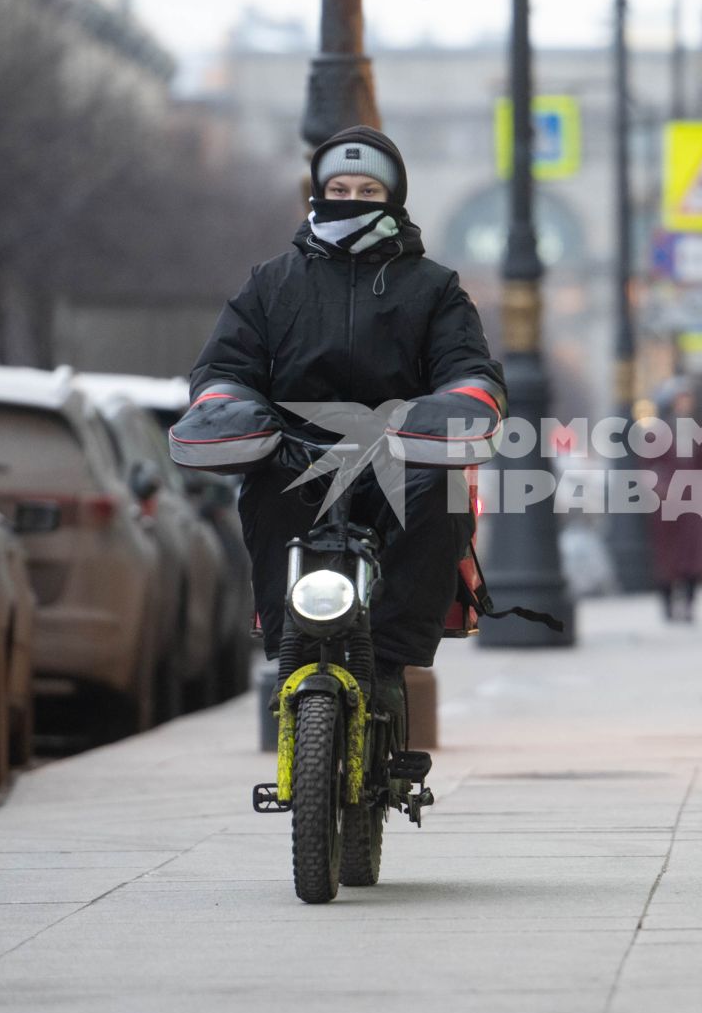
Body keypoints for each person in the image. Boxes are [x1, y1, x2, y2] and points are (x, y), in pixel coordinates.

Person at [189, 127, 503, 726]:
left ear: (393, 196)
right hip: (296, 456)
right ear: (317, 192)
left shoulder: (434, 288)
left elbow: (467, 368)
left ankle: (387, 666)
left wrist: (458, 403)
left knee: (446, 490)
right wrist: (228, 403)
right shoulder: (272, 283)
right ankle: (289, 653)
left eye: (367, 189)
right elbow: (225, 365)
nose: (351, 199)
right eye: (338, 188)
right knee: (264, 494)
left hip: (405, 458)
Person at [644, 385, 702, 622]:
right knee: (667, 558)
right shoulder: (657, 433)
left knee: (694, 556)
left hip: (694, 503)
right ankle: (667, 603)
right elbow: (647, 467)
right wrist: (660, 488)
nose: (685, 405)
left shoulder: (700, 433)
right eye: (680, 399)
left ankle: (689, 604)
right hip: (667, 505)